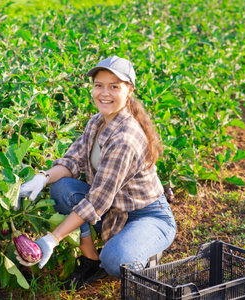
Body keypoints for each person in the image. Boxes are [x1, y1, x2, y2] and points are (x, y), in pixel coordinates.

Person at [15, 56, 177, 290]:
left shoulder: (125, 139)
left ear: (129, 90)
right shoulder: (97, 122)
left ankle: (144, 255)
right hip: (113, 210)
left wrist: (53, 239)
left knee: (115, 261)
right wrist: (43, 177)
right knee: (61, 188)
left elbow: (97, 200)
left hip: (148, 216)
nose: (104, 93)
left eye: (114, 87)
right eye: (98, 85)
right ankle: (90, 259)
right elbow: (73, 161)